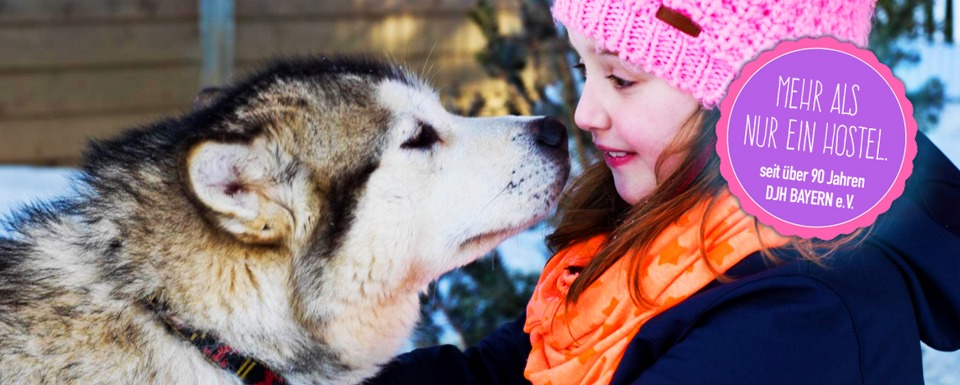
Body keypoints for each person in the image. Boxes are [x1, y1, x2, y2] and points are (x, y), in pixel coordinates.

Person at [367, 0, 960, 384]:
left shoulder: (802, 319)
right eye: (584, 72)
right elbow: (506, 374)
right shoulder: (660, 231)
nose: (584, 112)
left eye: (622, 79)